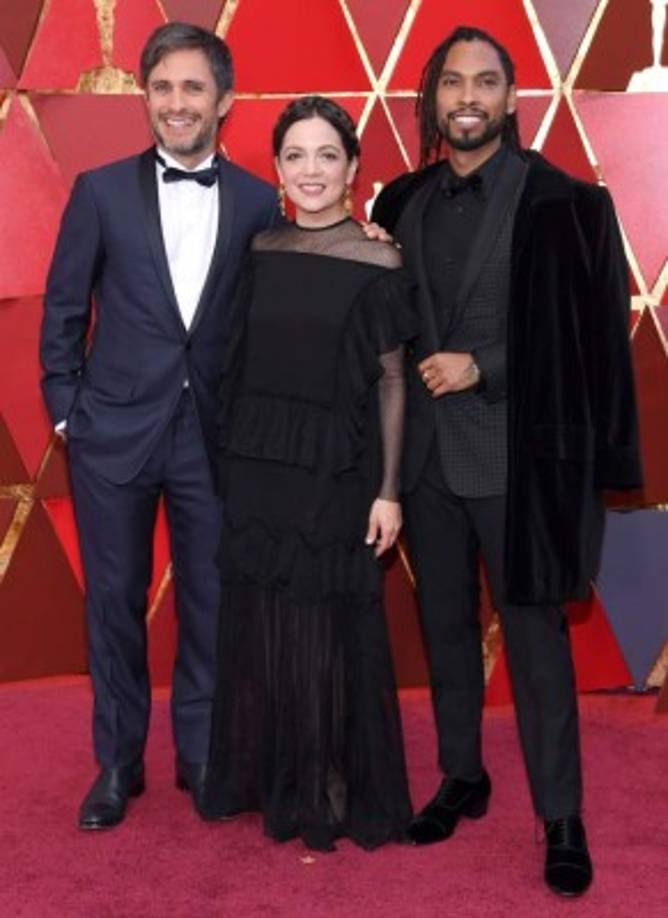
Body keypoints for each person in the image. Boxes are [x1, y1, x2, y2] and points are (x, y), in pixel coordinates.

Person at [372, 26, 642, 896]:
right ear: (434, 95)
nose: (467, 97)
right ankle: (464, 776)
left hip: (518, 465)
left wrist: (482, 365)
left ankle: (561, 815)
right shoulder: (401, 204)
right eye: (453, 81)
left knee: (535, 647)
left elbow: (582, 340)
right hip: (423, 464)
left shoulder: (558, 201)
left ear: (510, 97)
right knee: (445, 630)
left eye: (485, 82)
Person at [39, 22, 279, 830]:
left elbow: (267, 319)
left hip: (211, 437)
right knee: (113, 600)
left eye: (192, 89)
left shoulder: (256, 200)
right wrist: (70, 412)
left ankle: (203, 754)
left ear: (225, 102)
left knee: (211, 600)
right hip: (112, 436)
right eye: (163, 88)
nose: (176, 104)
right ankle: (117, 763)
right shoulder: (99, 191)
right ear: (146, 96)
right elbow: (65, 311)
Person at [201, 96, 414, 851]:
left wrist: (389, 489)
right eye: (297, 155)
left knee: (325, 627)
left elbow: (393, 381)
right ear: (278, 169)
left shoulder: (380, 258)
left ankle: (325, 785)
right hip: (260, 466)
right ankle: (274, 779)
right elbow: (234, 361)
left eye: (328, 155)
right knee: (265, 623)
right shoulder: (260, 249)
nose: (313, 170)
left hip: (339, 472)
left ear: (354, 168)